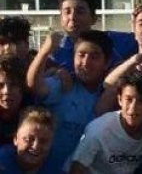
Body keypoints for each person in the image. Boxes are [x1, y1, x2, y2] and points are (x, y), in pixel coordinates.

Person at [26, 30, 111, 174]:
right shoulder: (64, 84)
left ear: (107, 62)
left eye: (94, 57)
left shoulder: (111, 95)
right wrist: (45, 52)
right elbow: (34, 85)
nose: (86, 62)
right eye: (81, 55)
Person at [70, 71, 142, 174]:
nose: (133, 109)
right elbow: (76, 169)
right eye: (129, 99)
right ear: (119, 99)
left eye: (141, 101)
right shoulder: (98, 130)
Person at [0, 106, 56, 174]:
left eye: (43, 141)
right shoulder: (2, 161)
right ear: (15, 139)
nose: (36, 146)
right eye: (28, 139)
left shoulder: (54, 169)